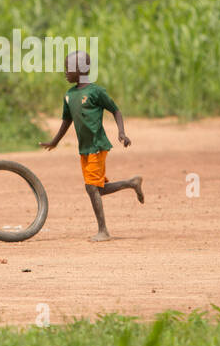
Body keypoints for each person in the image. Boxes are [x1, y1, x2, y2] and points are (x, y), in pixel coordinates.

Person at [40, 50, 144, 241]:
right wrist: (54, 142)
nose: (65, 72)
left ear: (82, 69)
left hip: (98, 145)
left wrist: (121, 133)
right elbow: (66, 121)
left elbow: (116, 111)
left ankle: (103, 231)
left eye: (68, 68)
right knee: (98, 188)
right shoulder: (69, 95)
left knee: (91, 188)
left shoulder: (96, 92)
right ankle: (132, 183)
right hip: (84, 149)